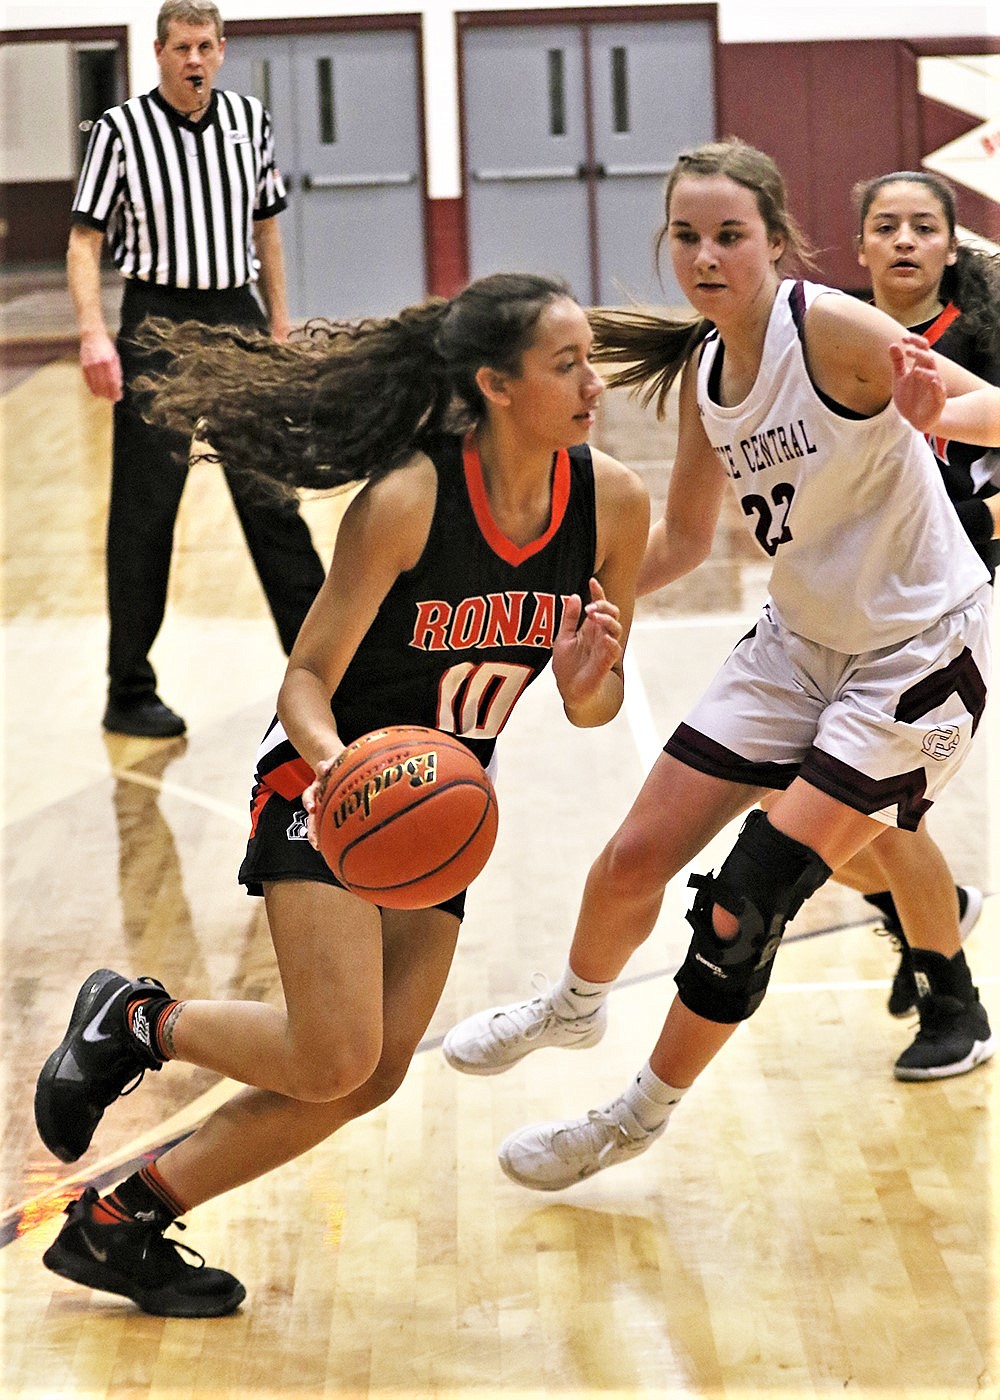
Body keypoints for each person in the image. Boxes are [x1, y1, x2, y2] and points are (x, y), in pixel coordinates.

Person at [32, 272, 650, 1313]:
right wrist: (336, 768)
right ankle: (138, 1019)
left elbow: (595, 702)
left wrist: (592, 685)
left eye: (590, 357)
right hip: (326, 779)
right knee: (329, 1050)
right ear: (496, 384)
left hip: (440, 809)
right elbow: (306, 673)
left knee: (370, 1074)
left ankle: (117, 1220)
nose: (594, 381)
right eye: (567, 363)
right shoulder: (410, 498)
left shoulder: (610, 504)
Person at [441, 139, 1000, 1193]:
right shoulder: (706, 369)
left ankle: (631, 1116)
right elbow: (686, 541)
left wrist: (940, 414)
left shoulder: (828, 328)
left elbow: (991, 405)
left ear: (778, 244)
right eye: (687, 236)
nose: (706, 255)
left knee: (745, 901)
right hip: (796, 641)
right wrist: (566, 609)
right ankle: (571, 1002)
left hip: (914, 653)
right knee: (631, 854)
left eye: (729, 235)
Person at [68, 0, 325, 738]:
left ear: (221, 49)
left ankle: (322, 669)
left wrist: (278, 323)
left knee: (271, 500)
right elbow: (84, 242)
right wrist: (94, 335)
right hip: (156, 324)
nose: (194, 60)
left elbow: (267, 226)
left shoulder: (250, 122)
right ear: (158, 53)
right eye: (181, 47)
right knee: (146, 513)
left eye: (205, 46)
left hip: (237, 317)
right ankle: (129, 689)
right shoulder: (120, 132)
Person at [825, 170, 999, 1017]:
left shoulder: (979, 343)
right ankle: (929, 912)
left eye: (922, 227)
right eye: (884, 226)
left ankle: (951, 1005)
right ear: (857, 247)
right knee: (794, 811)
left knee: (872, 808)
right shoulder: (831, 338)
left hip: (942, 606)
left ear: (949, 246)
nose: (902, 241)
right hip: (844, 596)